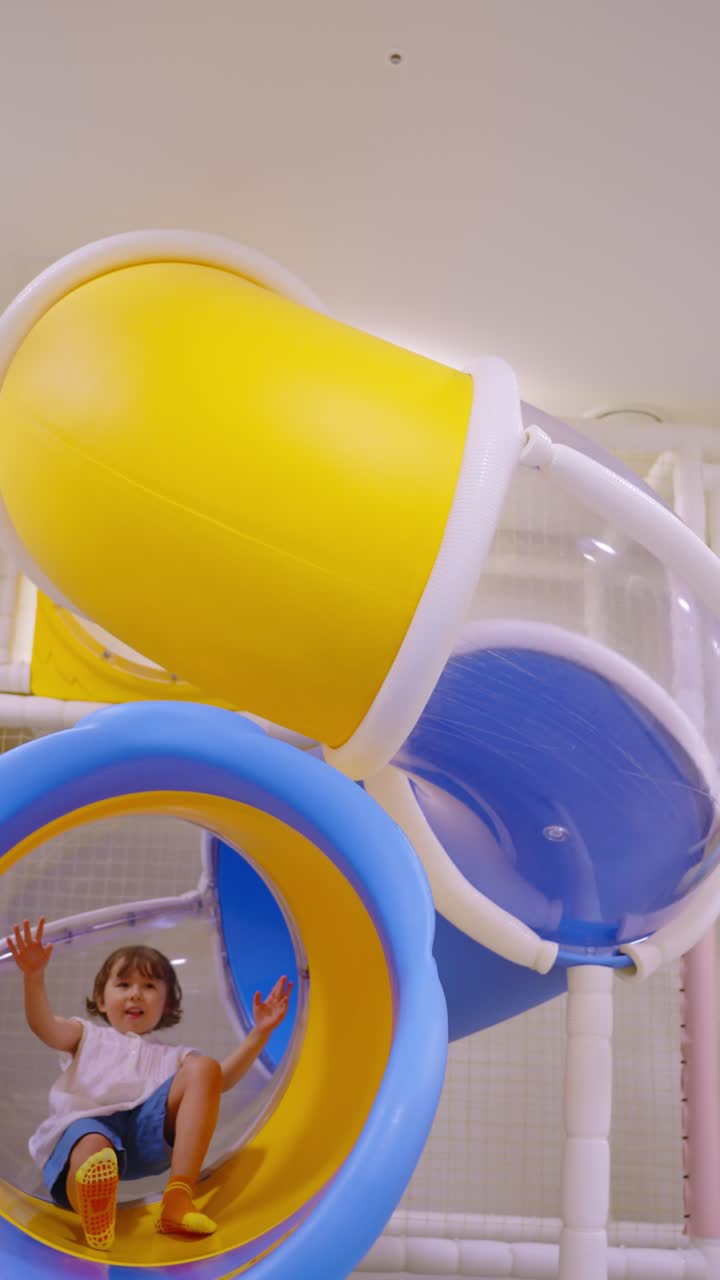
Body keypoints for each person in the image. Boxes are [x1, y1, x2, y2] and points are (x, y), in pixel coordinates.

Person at [7, 916, 292, 1251]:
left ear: (167, 1004)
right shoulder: (87, 1035)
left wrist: (259, 1035)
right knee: (92, 1148)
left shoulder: (173, 1056)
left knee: (205, 1068)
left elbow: (219, 1081)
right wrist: (34, 979)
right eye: (123, 985)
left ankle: (178, 1198)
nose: (135, 995)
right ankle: (92, 1212)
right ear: (101, 999)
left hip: (147, 1134)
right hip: (88, 1127)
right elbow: (45, 1027)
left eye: (149, 987)